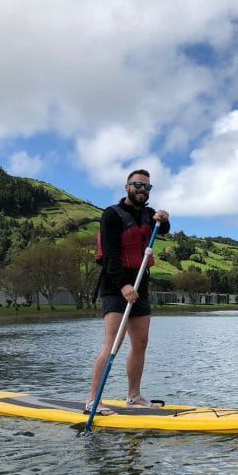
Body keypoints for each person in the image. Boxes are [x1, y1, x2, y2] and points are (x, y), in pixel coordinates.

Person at [87, 169, 170, 414]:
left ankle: (133, 397)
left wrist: (164, 218)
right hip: (115, 286)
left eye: (147, 187)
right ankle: (93, 400)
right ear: (127, 187)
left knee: (141, 343)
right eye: (137, 185)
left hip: (141, 285)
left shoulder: (147, 214)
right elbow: (110, 255)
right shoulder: (112, 214)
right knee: (114, 343)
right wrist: (123, 285)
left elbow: (162, 230)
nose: (142, 190)